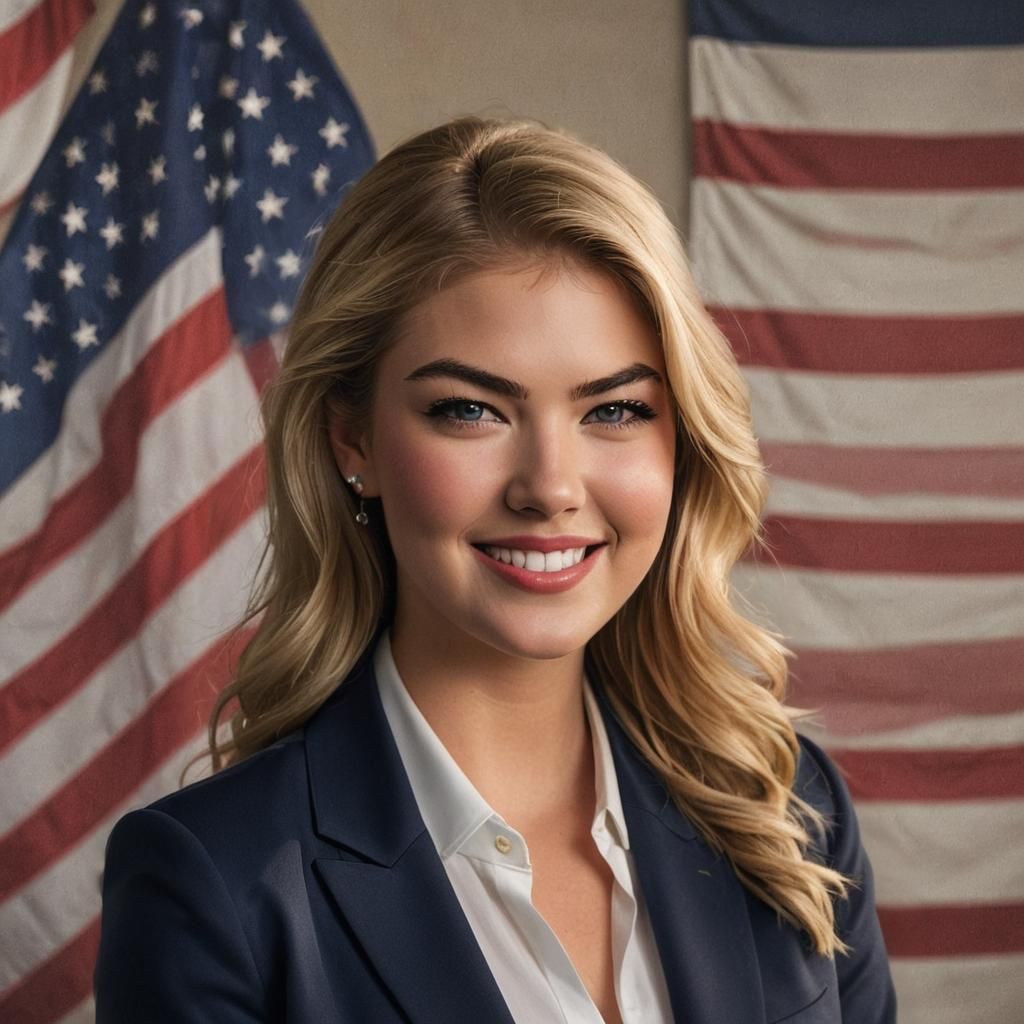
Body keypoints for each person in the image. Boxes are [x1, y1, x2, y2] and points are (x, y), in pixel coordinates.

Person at [94, 116, 896, 1023]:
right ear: (352, 438)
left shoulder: (791, 816)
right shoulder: (213, 885)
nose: (550, 487)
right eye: (471, 409)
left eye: (616, 411)